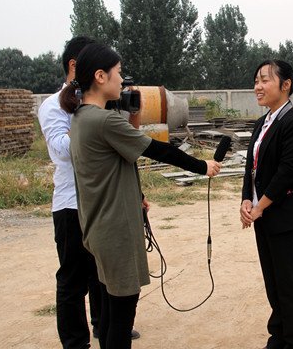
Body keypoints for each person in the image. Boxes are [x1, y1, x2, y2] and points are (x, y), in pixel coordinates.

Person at [59, 42, 221, 349]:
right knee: (121, 318)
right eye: (118, 73)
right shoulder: (104, 121)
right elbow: (157, 149)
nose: (123, 80)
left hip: (99, 228)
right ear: (100, 77)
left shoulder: (81, 118)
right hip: (115, 232)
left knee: (110, 313)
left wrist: (136, 194)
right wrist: (203, 166)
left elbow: (111, 169)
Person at [39, 36, 139, 349]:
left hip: (104, 202)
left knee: (103, 275)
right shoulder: (53, 106)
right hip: (71, 204)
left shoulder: (103, 106)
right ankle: (75, 342)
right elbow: (61, 149)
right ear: (75, 65)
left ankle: (103, 328)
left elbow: (123, 151)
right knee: (73, 279)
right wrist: (88, 121)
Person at [240, 60, 293, 349]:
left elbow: (287, 173)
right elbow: (251, 167)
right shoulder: (263, 122)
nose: (258, 86)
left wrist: (260, 207)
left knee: (288, 285)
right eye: (256, 80)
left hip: (285, 218)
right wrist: (247, 199)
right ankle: (278, 337)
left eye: (265, 80)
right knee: (273, 282)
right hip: (264, 216)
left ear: (285, 85)